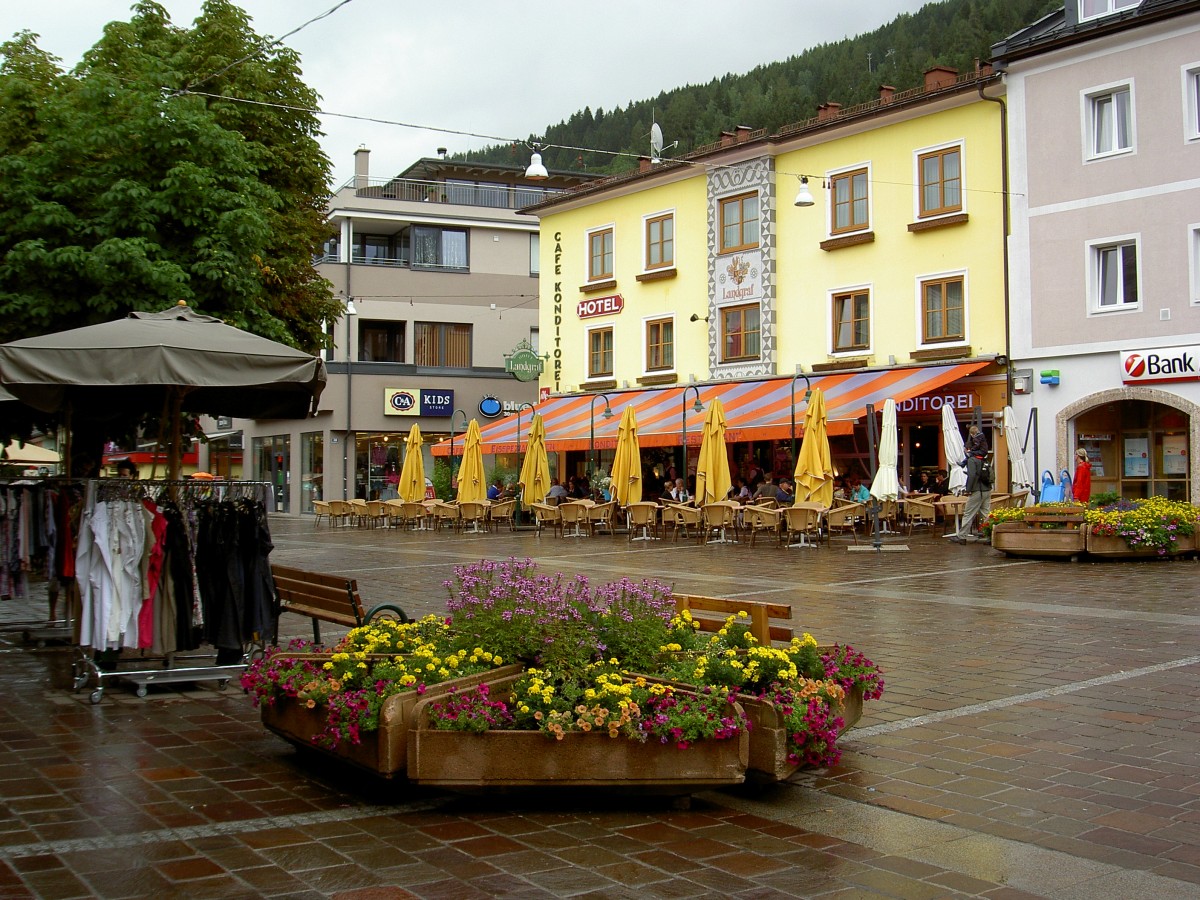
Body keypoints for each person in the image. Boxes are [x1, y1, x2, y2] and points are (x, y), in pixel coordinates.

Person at [950, 425, 992, 543]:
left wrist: (968, 489)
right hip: (987, 489)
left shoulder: (972, 460)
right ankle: (991, 536)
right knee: (986, 513)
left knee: (968, 513)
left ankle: (962, 536)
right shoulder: (984, 459)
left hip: (977, 490)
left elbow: (972, 475)